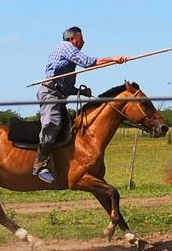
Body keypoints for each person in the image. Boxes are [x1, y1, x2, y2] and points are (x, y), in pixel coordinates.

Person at [37, 27, 133, 184]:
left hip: (60, 95)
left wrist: (79, 91)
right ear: (72, 39)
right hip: (50, 94)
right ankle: (39, 164)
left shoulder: (69, 56)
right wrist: (114, 59)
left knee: (68, 129)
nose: (83, 43)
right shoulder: (66, 47)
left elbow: (66, 87)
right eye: (81, 39)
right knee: (51, 124)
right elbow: (88, 62)